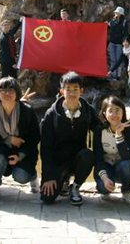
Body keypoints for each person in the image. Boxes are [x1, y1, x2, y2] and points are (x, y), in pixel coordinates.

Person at [39, 72, 99, 205]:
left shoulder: (87, 111)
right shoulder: (51, 114)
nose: (72, 93)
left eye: (75, 89)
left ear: (81, 91)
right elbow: (45, 147)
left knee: (88, 155)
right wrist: (48, 176)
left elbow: (100, 130)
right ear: (62, 91)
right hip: (58, 160)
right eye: (68, 89)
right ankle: (63, 180)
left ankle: (75, 187)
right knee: (47, 198)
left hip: (78, 158)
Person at [0, 76, 41, 200]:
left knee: (21, 176)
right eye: (3, 90)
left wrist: (21, 155)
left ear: (17, 93)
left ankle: (33, 176)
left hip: (23, 150)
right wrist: (8, 139)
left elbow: (35, 137)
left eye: (11, 90)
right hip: (1, 149)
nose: (7, 94)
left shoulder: (27, 111)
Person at [94, 96, 130, 204]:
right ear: (104, 113)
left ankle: (127, 190)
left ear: (123, 112)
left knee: (127, 165)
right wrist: (104, 178)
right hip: (105, 165)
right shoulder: (99, 130)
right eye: (110, 111)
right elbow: (98, 158)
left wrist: (118, 134)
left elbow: (126, 155)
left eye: (117, 110)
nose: (114, 115)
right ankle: (105, 189)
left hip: (122, 166)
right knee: (103, 187)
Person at [107, 7, 128, 80]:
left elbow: (125, 33)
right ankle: (113, 75)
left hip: (119, 44)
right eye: (115, 12)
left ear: (121, 14)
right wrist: (105, 24)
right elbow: (106, 28)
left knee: (119, 60)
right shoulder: (112, 21)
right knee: (112, 59)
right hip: (112, 43)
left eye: (117, 12)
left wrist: (124, 42)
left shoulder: (124, 22)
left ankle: (118, 76)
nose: (115, 13)